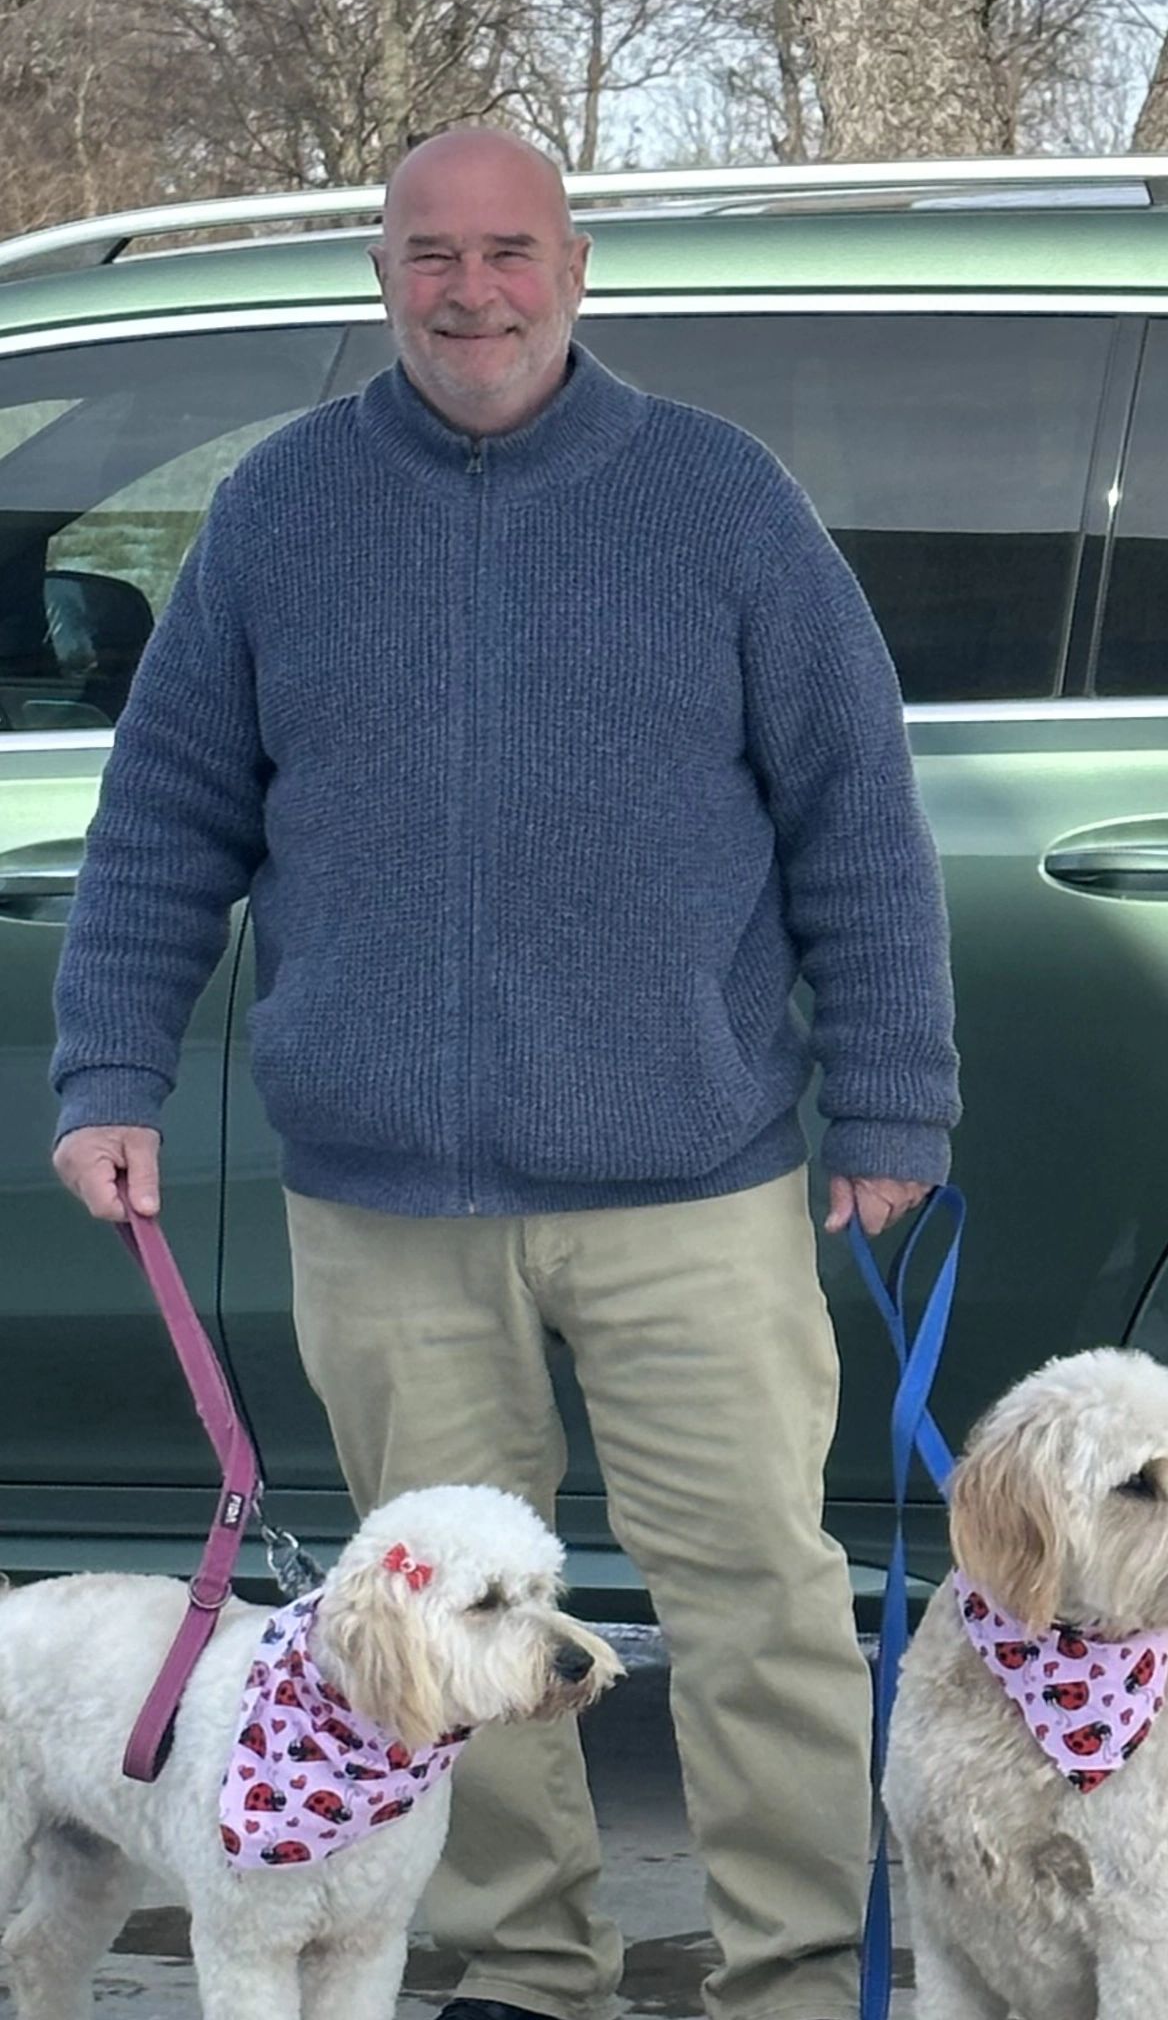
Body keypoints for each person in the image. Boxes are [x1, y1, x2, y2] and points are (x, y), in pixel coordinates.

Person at [50, 126, 960, 2020]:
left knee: (766, 1611)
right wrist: (107, 1069)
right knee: (431, 1641)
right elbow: (163, 819)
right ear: (381, 271)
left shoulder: (718, 501)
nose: (474, 289)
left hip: (690, 1176)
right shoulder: (281, 511)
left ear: (577, 262)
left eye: (510, 250)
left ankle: (797, 1973)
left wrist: (888, 1099)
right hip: (382, 1197)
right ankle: (525, 1970)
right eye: (432, 254)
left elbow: (856, 817)